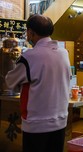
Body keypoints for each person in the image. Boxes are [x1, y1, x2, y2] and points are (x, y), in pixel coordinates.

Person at [5, 14, 71, 152]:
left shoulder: (30, 56)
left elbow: (10, 81)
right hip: (60, 121)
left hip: (37, 125)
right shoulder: (64, 53)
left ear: (30, 32)